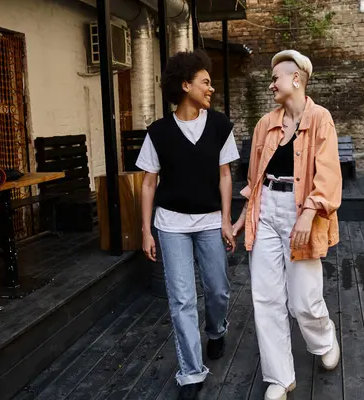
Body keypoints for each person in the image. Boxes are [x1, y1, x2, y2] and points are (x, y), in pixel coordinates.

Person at [232, 49, 342, 400]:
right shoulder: (266, 123)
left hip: (300, 209)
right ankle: (280, 377)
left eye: (275, 77)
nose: (271, 84)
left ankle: (324, 337)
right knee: (266, 297)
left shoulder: (320, 118)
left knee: (303, 299)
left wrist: (309, 213)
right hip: (266, 208)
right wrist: (242, 217)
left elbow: (327, 174)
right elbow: (254, 176)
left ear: (296, 79)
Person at [136, 49, 239, 400]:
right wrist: (146, 230)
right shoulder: (159, 132)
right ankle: (191, 374)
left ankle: (216, 329)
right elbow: (148, 182)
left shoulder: (221, 125)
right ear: (185, 85)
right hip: (171, 224)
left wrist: (226, 220)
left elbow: (226, 176)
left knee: (217, 289)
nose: (210, 89)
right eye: (205, 82)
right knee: (182, 300)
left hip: (210, 221)